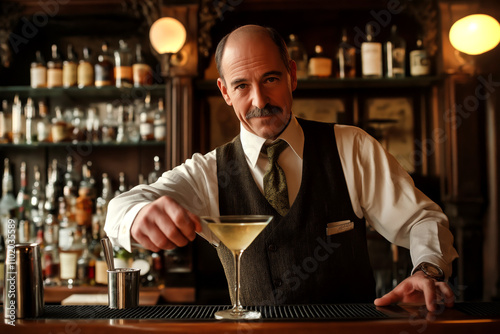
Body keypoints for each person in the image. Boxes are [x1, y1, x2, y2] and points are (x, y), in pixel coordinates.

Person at [105, 24, 458, 311]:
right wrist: (136, 217)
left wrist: (427, 270)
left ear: (291, 75)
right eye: (242, 86)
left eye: (270, 79)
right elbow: (119, 208)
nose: (259, 101)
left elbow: (421, 219)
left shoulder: (350, 146)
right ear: (225, 92)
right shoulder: (209, 172)